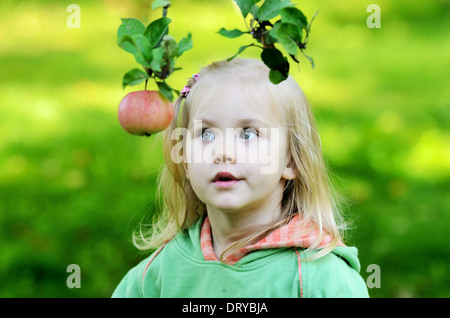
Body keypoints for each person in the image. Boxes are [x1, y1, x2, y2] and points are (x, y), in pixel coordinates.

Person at [112, 58, 369, 298]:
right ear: (186, 161)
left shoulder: (321, 279)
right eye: (206, 134)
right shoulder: (158, 275)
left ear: (290, 161)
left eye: (248, 134)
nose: (223, 152)